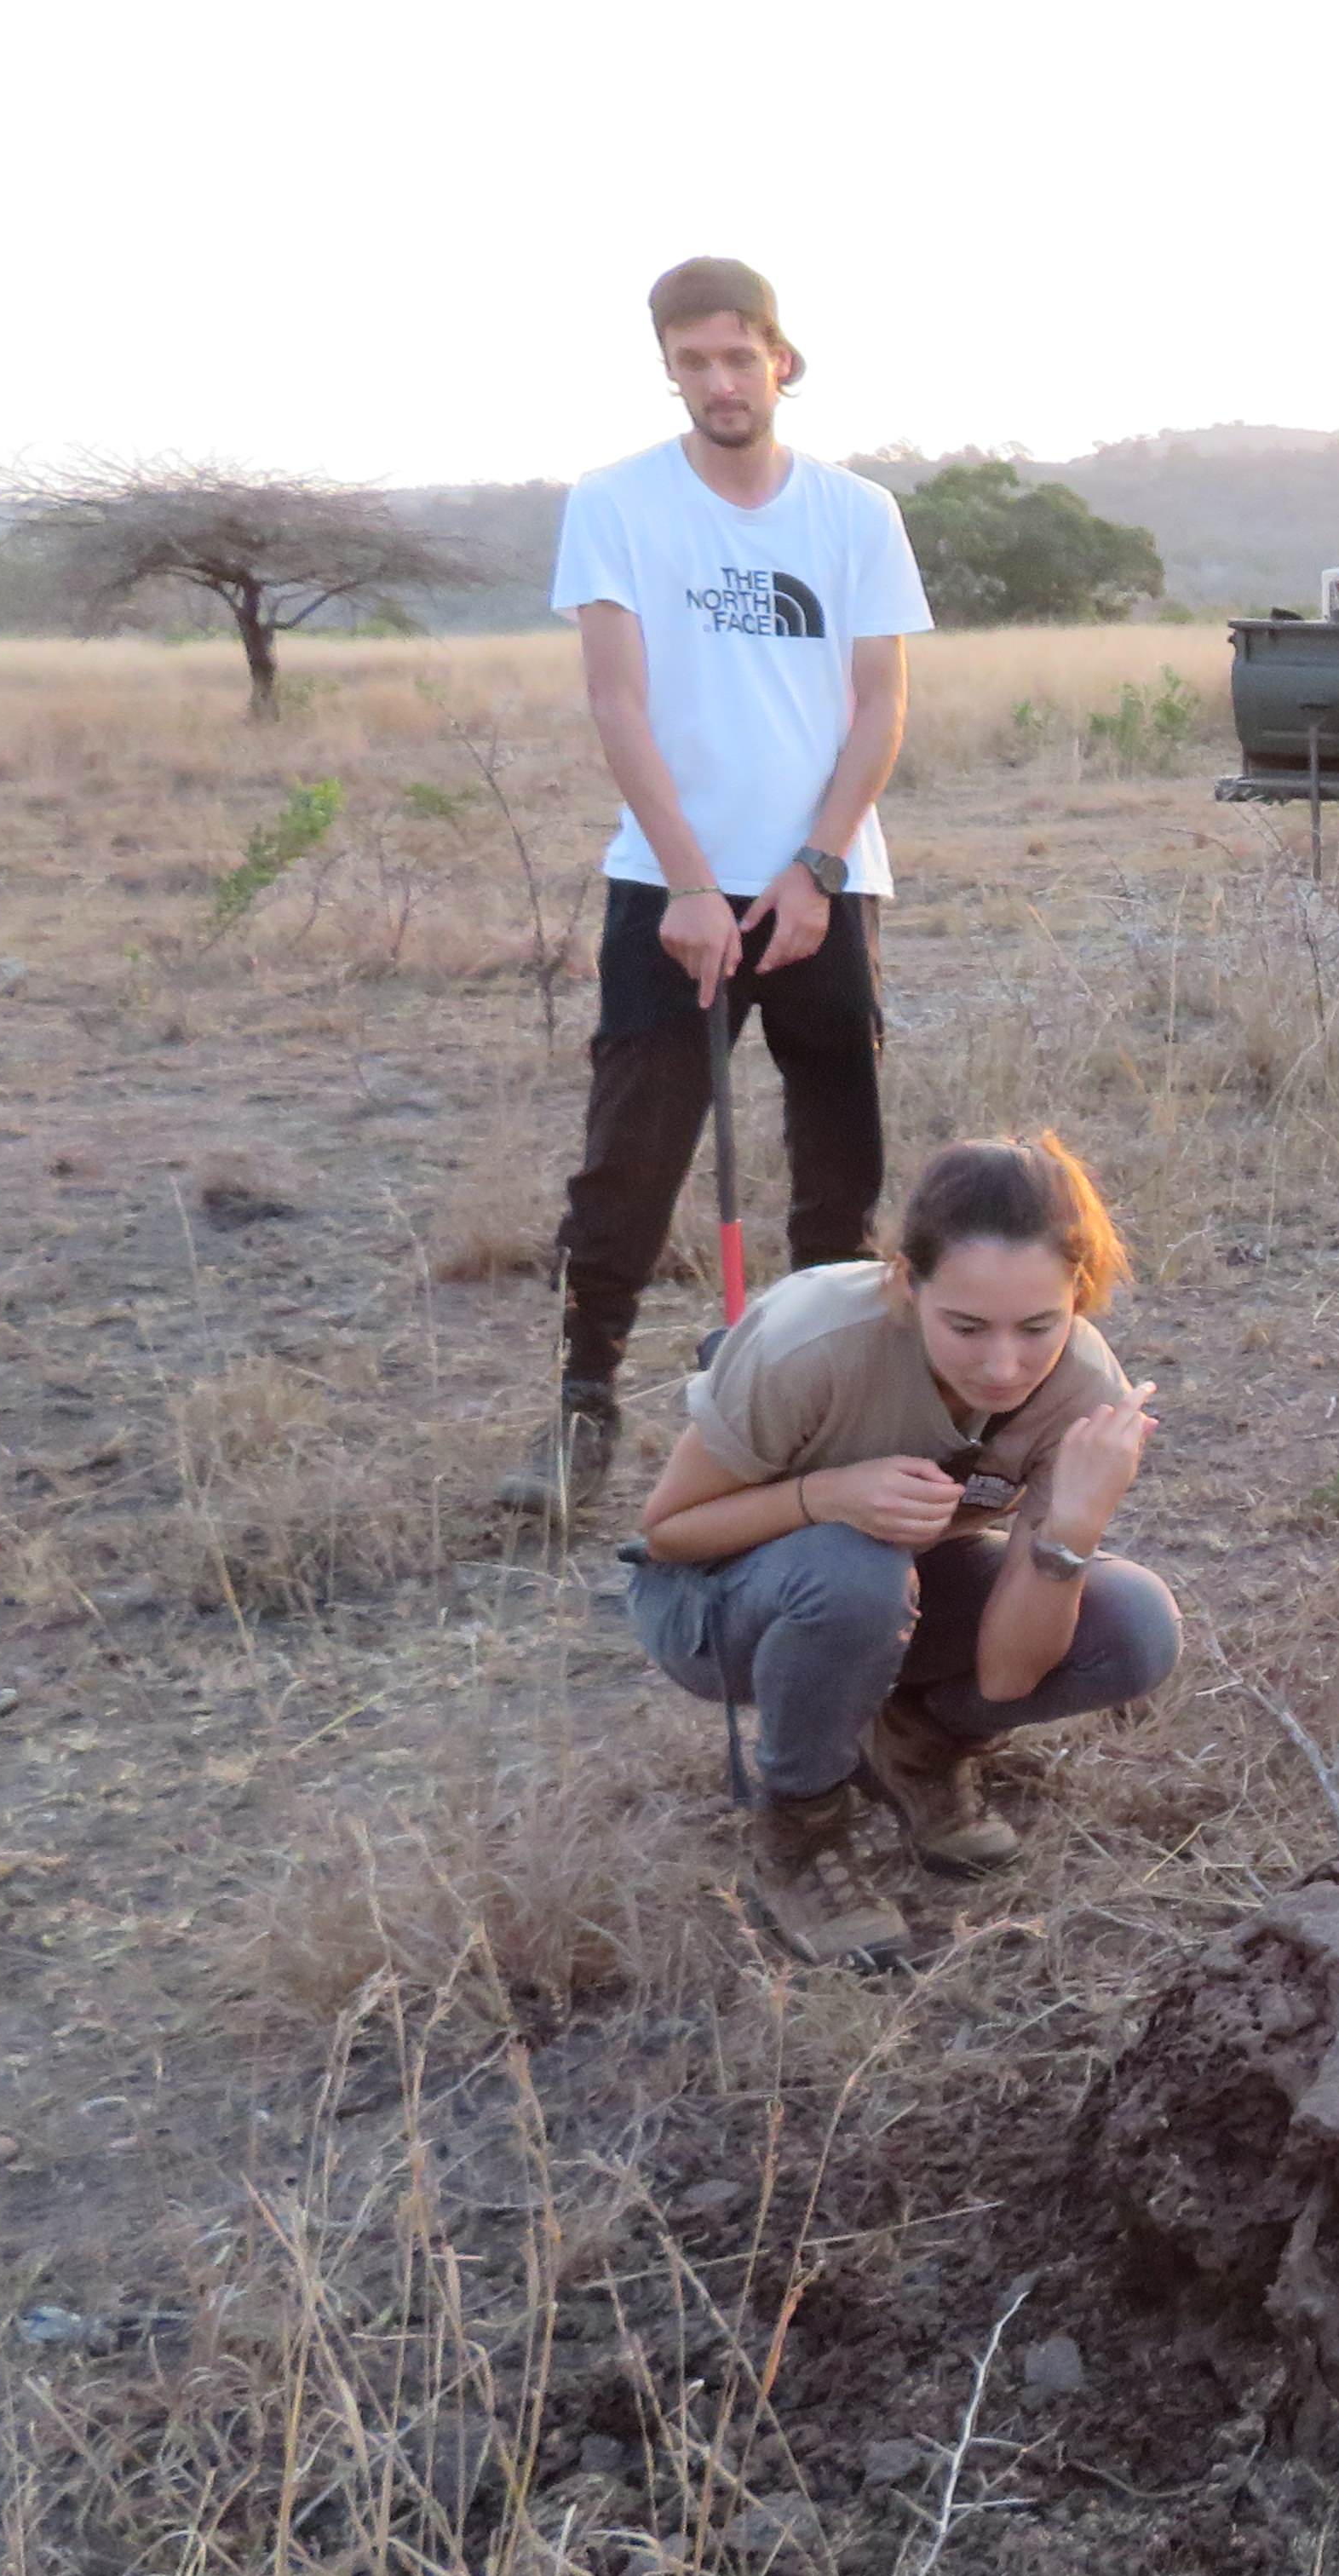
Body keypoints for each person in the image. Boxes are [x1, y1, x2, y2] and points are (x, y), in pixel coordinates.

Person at [496, 256, 934, 1522]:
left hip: (821, 885)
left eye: (740, 356)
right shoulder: (618, 504)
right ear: (670, 369)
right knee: (629, 1157)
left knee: (837, 1157)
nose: (720, 382)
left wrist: (815, 867)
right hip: (668, 889)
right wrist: (690, 884)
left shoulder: (856, 515)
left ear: (783, 360)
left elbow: (879, 705)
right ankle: (585, 1404)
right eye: (694, 361)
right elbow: (615, 700)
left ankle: (823, 1399)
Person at [624, 1135, 1177, 1967]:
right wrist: (826, 1496)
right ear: (904, 1283)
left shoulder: (1083, 1392)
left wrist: (1071, 1529)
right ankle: (801, 1831)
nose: (1003, 1366)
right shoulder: (812, 1343)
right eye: (965, 1326)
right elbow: (667, 1532)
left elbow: (1005, 1677)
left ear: (1079, 1295)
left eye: (1039, 1325)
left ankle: (914, 1742)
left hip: (893, 1591)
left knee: (1133, 1624)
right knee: (857, 1571)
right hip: (715, 1603)